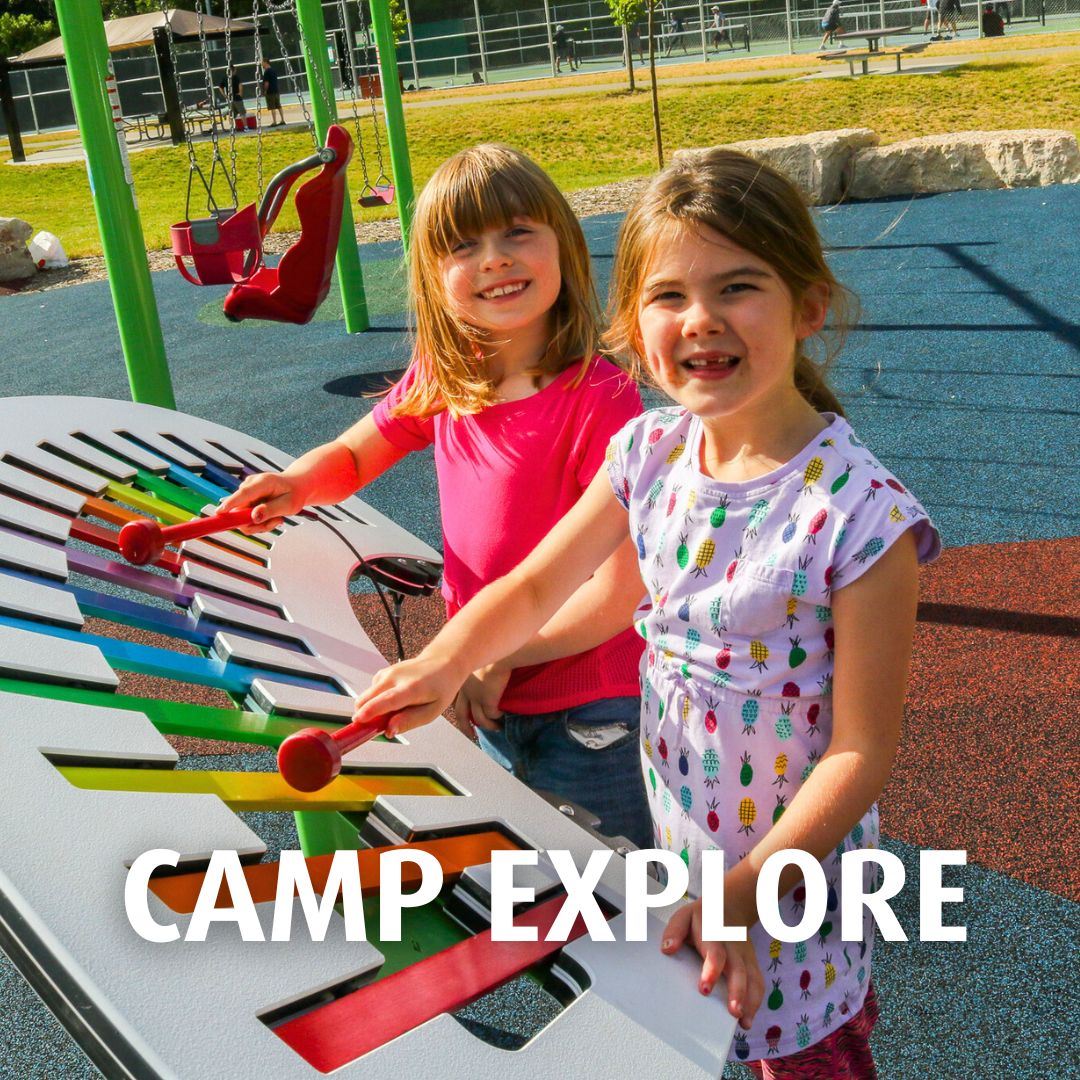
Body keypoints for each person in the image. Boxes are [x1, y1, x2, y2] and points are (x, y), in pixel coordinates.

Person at [351, 148, 941, 1073]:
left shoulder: (863, 521)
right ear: (632, 323)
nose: (700, 321)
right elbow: (538, 586)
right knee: (681, 1044)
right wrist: (447, 661)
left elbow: (861, 751)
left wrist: (745, 894)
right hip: (680, 852)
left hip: (789, 891)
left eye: (738, 287)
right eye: (668, 296)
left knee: (800, 1055)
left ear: (809, 306)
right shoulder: (649, 453)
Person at [218, 144, 652, 850]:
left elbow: (616, 593)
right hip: (485, 682)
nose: (494, 259)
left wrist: (493, 657)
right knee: (522, 872)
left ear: (564, 246)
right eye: (463, 245)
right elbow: (358, 452)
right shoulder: (451, 378)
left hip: (591, 705)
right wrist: (298, 483)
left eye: (518, 232)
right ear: (433, 275)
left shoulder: (600, 400)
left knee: (608, 889)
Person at [260, 59, 285, 127]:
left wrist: (265, 91)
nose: (261, 64)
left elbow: (266, 83)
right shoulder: (273, 70)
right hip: (276, 90)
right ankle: (282, 119)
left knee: (272, 107)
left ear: (266, 63)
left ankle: (274, 121)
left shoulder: (267, 72)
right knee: (278, 105)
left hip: (270, 91)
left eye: (262, 63)